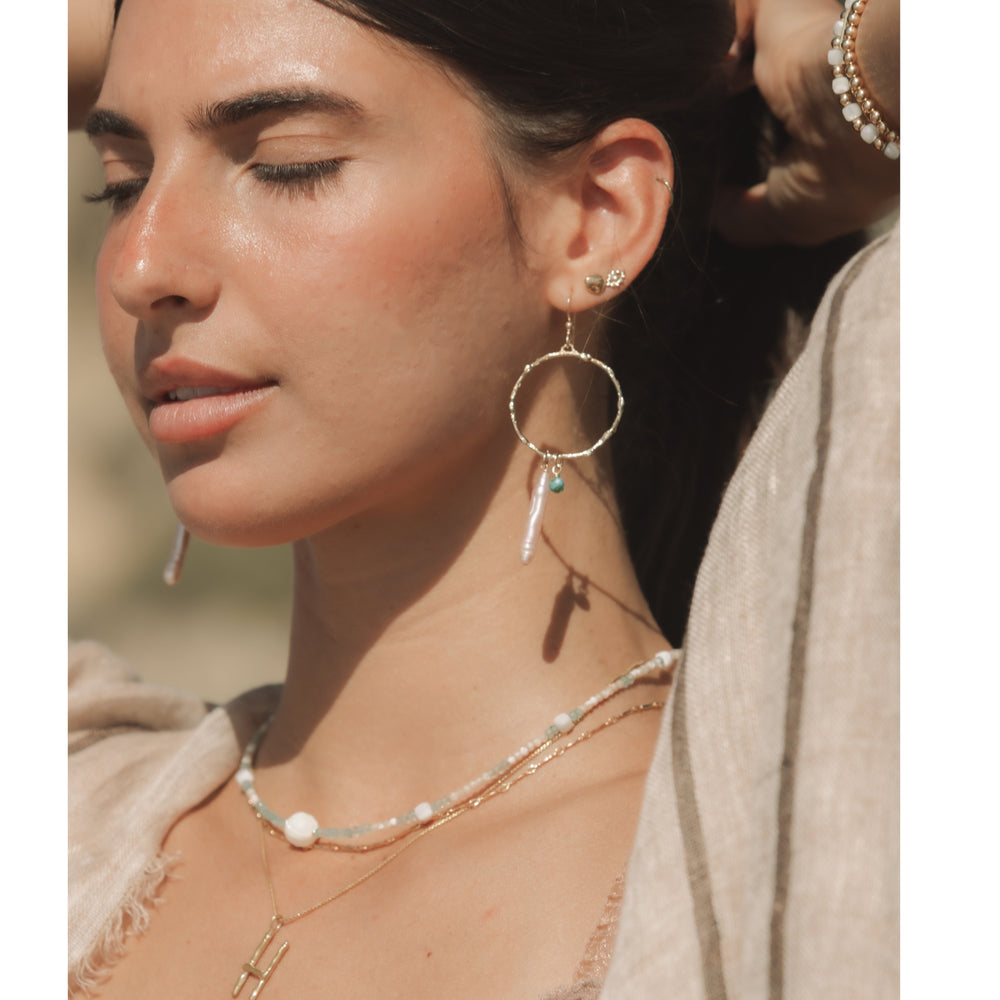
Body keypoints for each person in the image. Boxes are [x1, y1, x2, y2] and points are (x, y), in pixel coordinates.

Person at [69, 0, 899, 997]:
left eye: (289, 162)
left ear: (596, 215)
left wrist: (851, 66)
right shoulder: (70, 804)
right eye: (122, 182)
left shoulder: (786, 853)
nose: (141, 266)